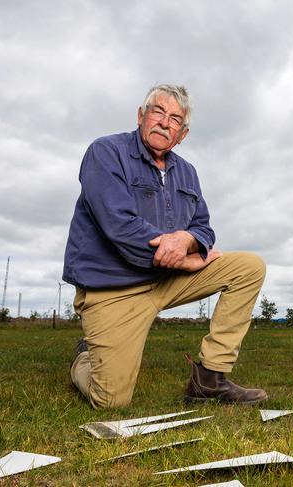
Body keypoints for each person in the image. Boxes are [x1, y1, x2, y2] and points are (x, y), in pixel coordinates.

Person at [63, 84, 267, 408]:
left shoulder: (187, 172)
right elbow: (119, 226)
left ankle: (209, 379)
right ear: (141, 115)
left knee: (249, 267)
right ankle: (85, 358)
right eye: (157, 112)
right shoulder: (105, 153)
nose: (164, 122)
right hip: (115, 288)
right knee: (111, 401)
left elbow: (203, 227)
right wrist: (182, 260)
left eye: (175, 119)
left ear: (182, 134)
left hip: (165, 281)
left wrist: (186, 239)